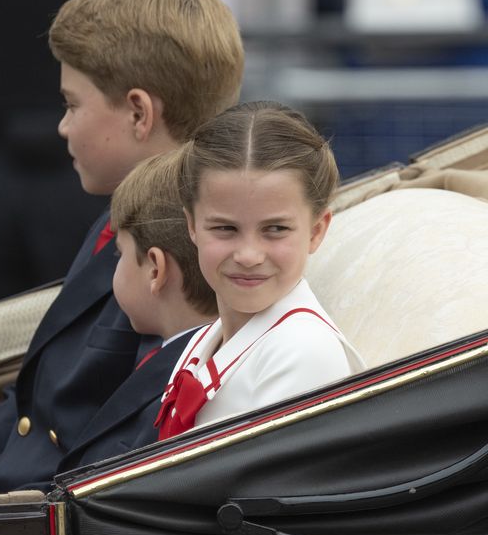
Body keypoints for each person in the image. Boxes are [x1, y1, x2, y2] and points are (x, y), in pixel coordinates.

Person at [0, 0, 244, 498]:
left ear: (138, 113)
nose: (62, 126)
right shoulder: (112, 226)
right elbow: (34, 396)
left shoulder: (182, 254)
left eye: (71, 104)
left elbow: (139, 427)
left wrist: (26, 511)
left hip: (50, 524)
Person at [154, 101, 365, 439]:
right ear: (191, 225)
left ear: (316, 230)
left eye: (276, 229)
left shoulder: (304, 352)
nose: (249, 255)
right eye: (225, 229)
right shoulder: (205, 340)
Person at [51, 151, 218, 475]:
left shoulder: (183, 380)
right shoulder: (176, 357)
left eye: (119, 253)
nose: (116, 264)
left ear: (155, 269)